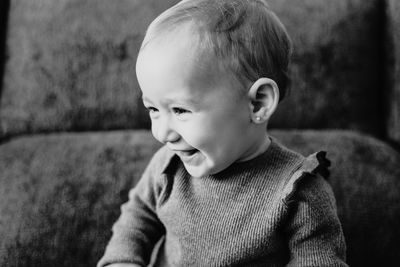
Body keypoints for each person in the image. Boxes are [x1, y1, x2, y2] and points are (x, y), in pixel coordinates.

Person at [98, 0, 347, 266]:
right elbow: (137, 217)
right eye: (153, 109)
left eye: (180, 110)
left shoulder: (298, 192)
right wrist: (122, 260)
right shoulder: (168, 165)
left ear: (257, 103)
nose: (161, 133)